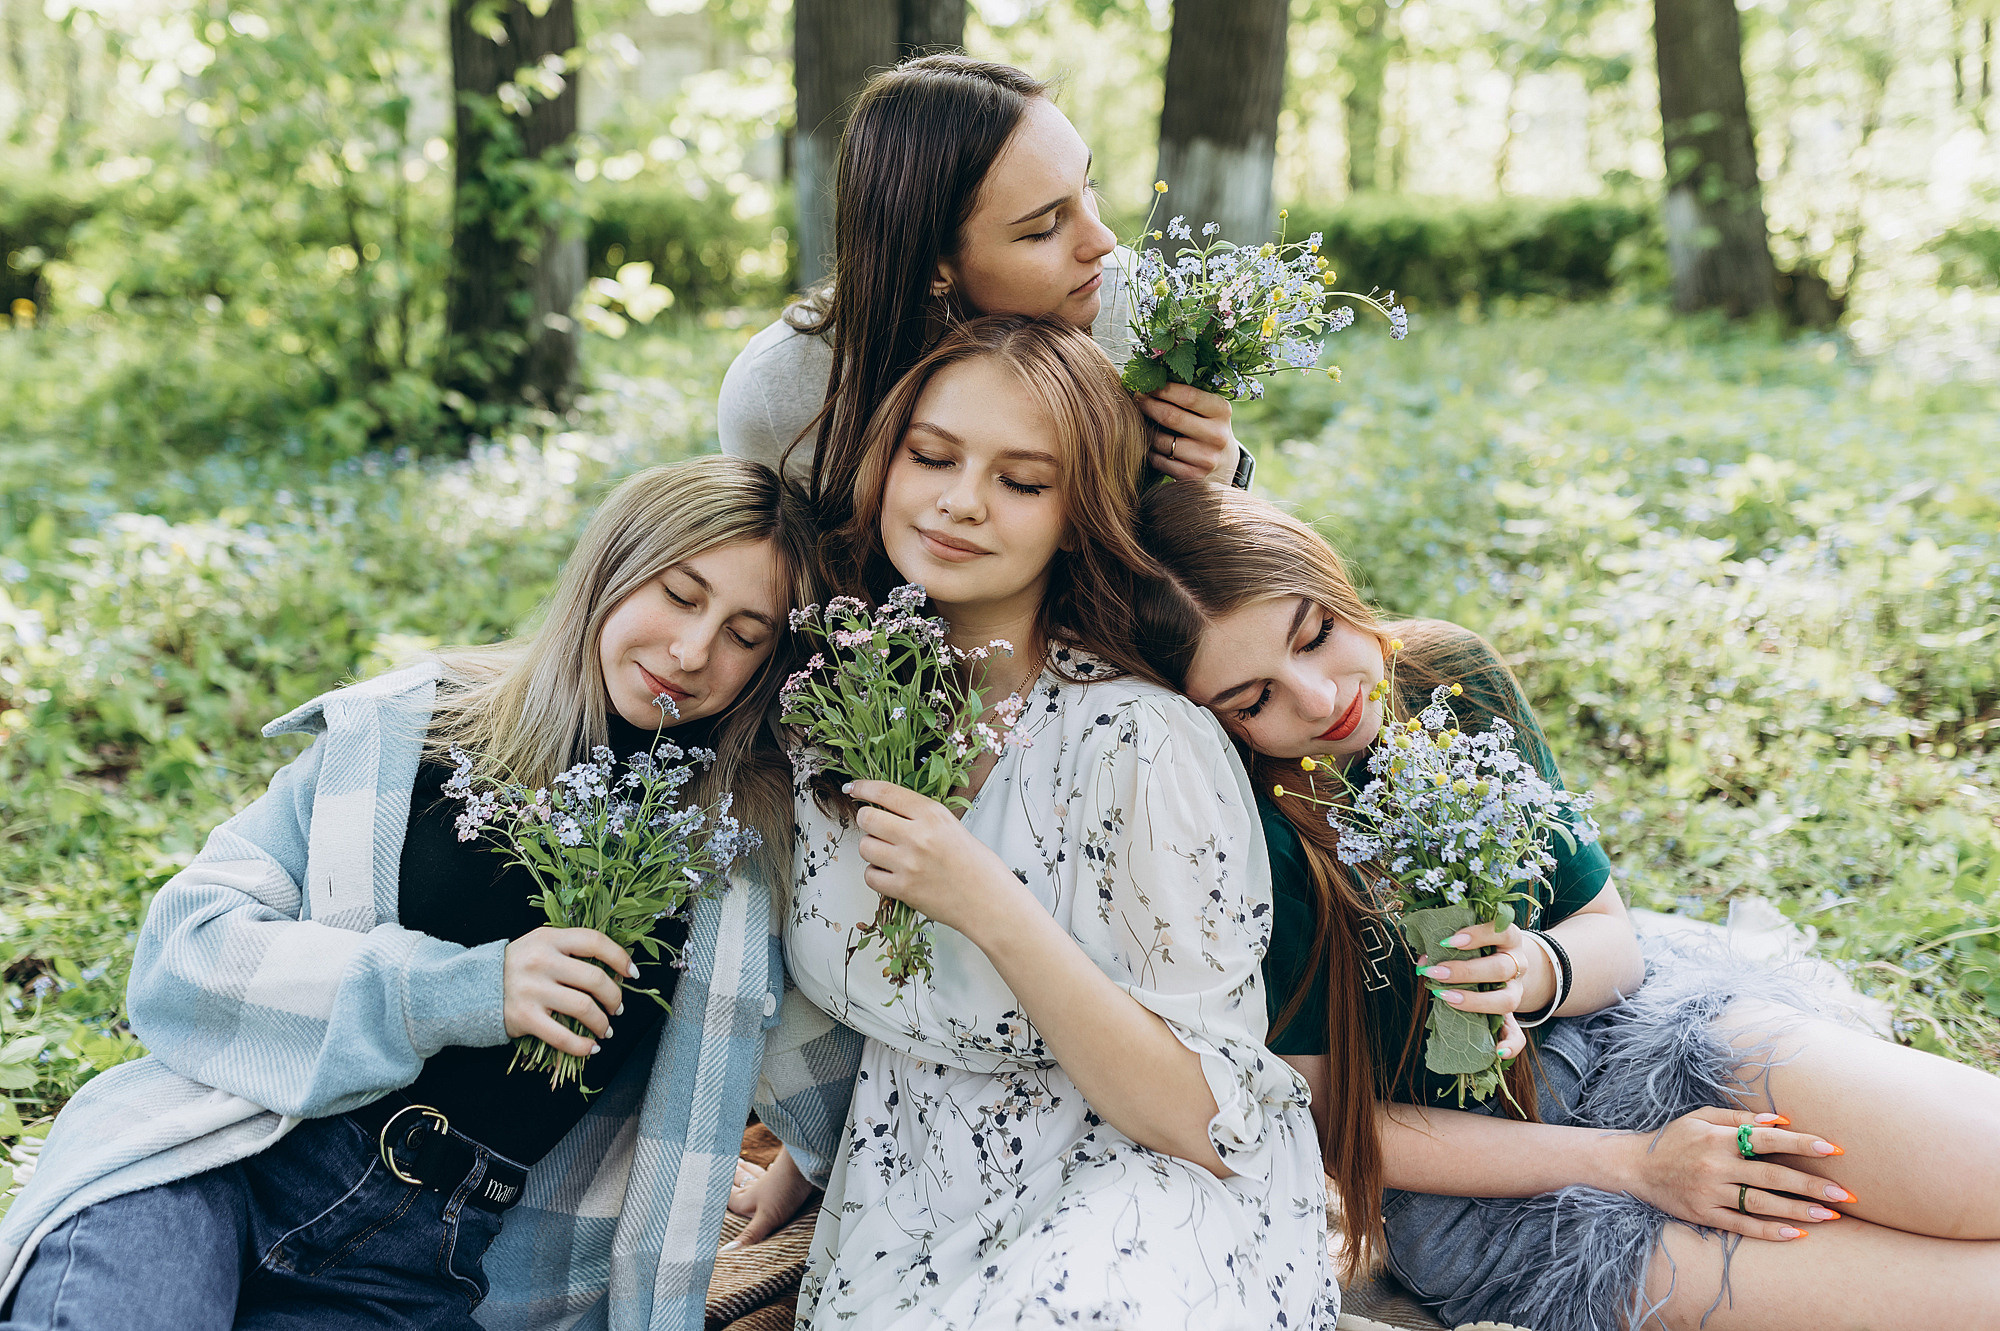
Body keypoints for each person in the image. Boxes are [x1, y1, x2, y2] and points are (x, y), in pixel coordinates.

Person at [0, 456, 862, 1331]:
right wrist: (463, 990)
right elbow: (183, 953)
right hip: (218, 1159)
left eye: (744, 635)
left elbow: (827, 1056)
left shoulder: (734, 860)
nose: (693, 651)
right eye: (679, 594)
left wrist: (808, 1162)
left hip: (418, 1265)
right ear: (611, 567)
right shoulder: (416, 728)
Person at [1131, 478, 2000, 1331]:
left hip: (1638, 1034)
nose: (1320, 698)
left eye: (1316, 634)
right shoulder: (1250, 830)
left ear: (1332, 582)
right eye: (1255, 699)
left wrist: (1537, 969)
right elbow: (1339, 1128)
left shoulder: (1444, 676)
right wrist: (1639, 1164)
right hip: (1498, 1194)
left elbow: (1609, 935)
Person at [731, 314, 1336, 1328]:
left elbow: (1204, 1119)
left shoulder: (1140, 739)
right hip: (904, 1199)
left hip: (1142, 1183)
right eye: (932, 457)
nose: (960, 500)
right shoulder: (821, 708)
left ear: (1078, 515)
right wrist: (807, 1152)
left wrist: (988, 904)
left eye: (1020, 481)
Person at [717, 52, 1250, 530]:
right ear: (933, 267)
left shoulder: (1126, 305)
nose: (1105, 241)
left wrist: (1223, 480)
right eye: (1045, 228)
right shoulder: (784, 394)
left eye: (1087, 187)